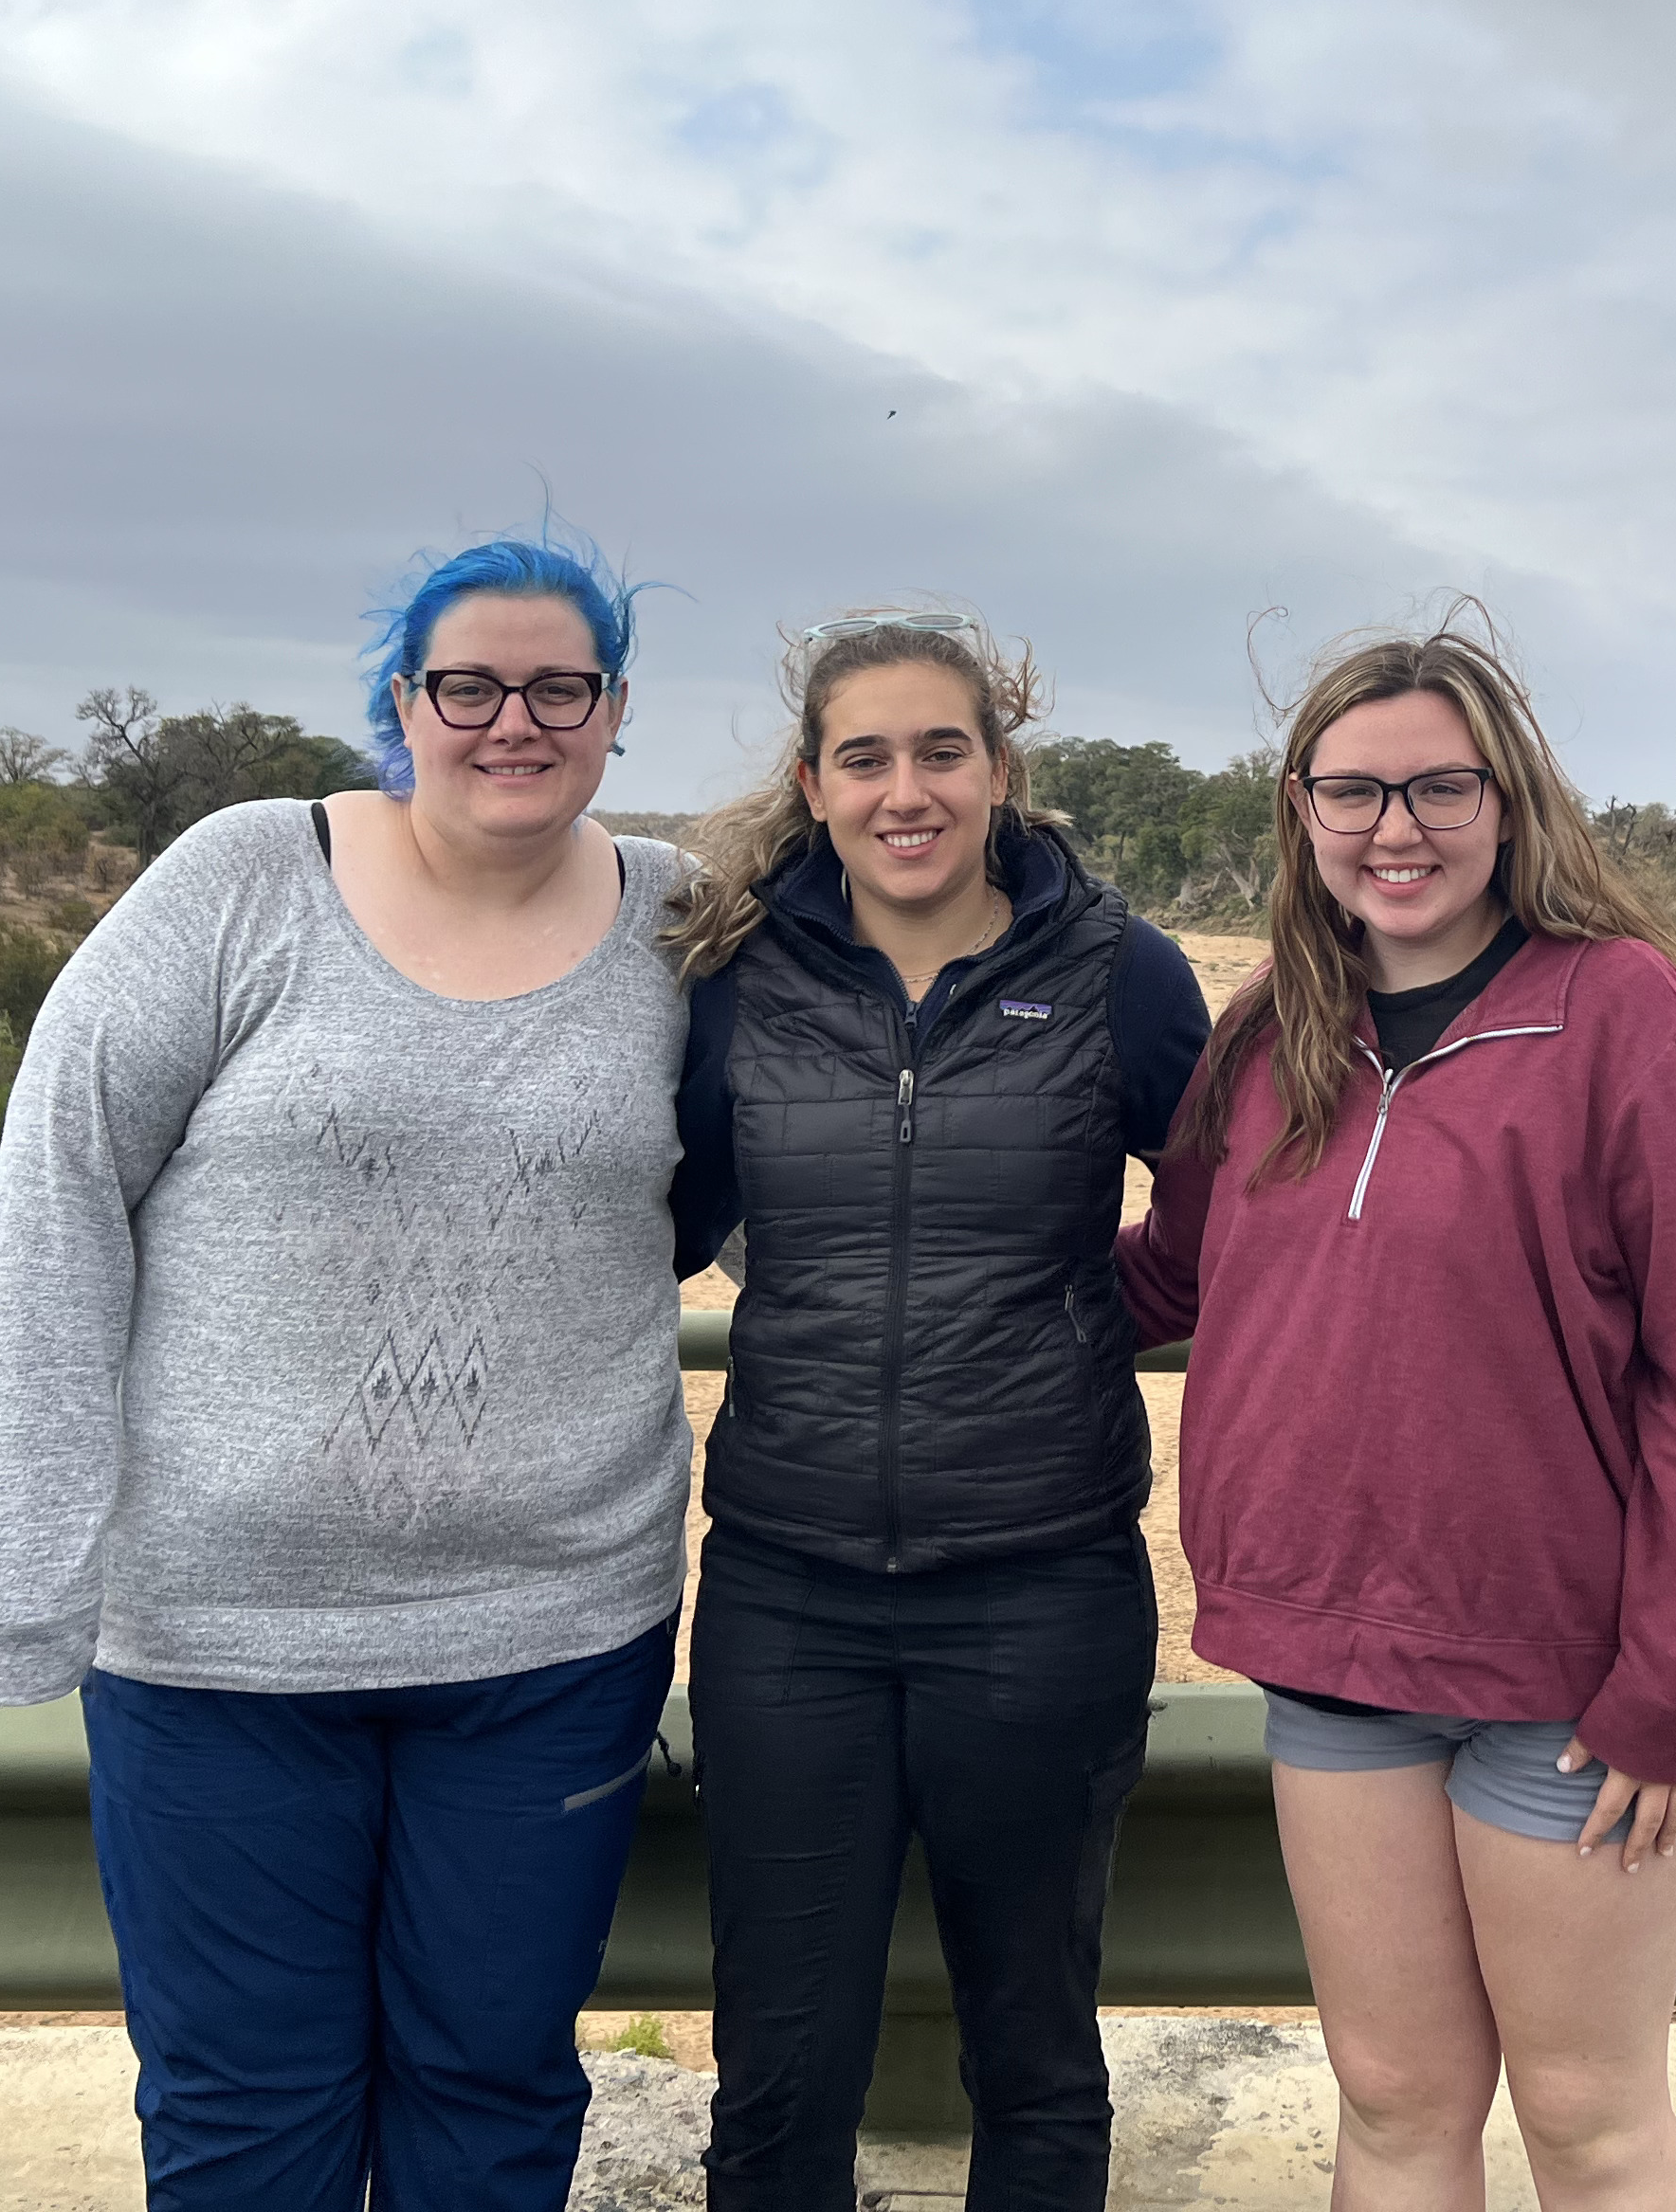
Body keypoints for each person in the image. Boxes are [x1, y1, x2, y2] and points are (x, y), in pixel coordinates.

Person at [0, 529, 696, 2212]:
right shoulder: (241, 881)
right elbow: (57, 1207)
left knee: (494, 2090)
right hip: (221, 1645)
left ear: (613, 709)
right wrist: (23, 1586)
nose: (515, 723)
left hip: (553, 1638)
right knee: (244, 2112)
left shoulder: (681, 921)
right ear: (402, 701)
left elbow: (773, 1159)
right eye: (469, 686)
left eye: (560, 687)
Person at [1119, 621, 1676, 2212]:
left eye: (1439, 787)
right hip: (1336, 1651)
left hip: (1574, 1685)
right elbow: (1172, 1274)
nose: (1396, 829)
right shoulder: (1270, 1027)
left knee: (1586, 2115)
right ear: (1301, 808)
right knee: (1394, 2100)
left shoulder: (1622, 1014)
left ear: (1509, 799)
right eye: (1353, 792)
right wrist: (910, 1274)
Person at [665, 612, 1210, 2212]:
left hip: (1043, 1587)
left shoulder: (1119, 972)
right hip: (787, 1594)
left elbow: (1237, 1218)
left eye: (940, 751)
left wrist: (1076, 1315)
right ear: (815, 785)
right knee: (778, 2072)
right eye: (866, 758)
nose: (905, 791)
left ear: (999, 768)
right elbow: (650, 1222)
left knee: (1033, 2057)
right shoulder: (736, 982)